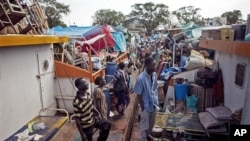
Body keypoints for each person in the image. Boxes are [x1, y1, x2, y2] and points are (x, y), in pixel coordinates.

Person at [133, 57, 160, 141]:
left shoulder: (154, 75)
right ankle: (143, 139)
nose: (155, 67)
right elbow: (139, 94)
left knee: (151, 124)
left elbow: (155, 88)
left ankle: (148, 135)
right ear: (147, 66)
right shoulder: (141, 78)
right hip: (146, 105)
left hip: (154, 103)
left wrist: (156, 99)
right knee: (144, 126)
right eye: (153, 65)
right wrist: (143, 107)